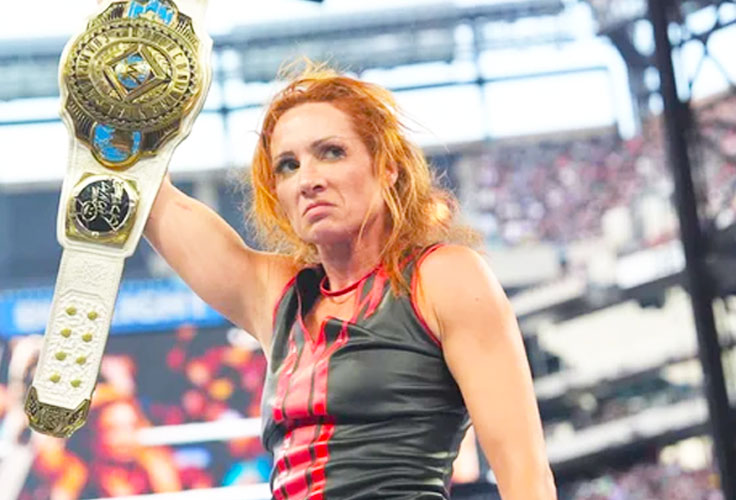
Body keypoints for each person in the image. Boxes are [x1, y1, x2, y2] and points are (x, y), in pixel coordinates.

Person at [145, 62, 557, 499]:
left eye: (332, 152)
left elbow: (525, 474)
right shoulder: (282, 297)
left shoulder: (443, 277)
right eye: (288, 165)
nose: (308, 180)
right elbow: (149, 194)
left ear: (387, 166)